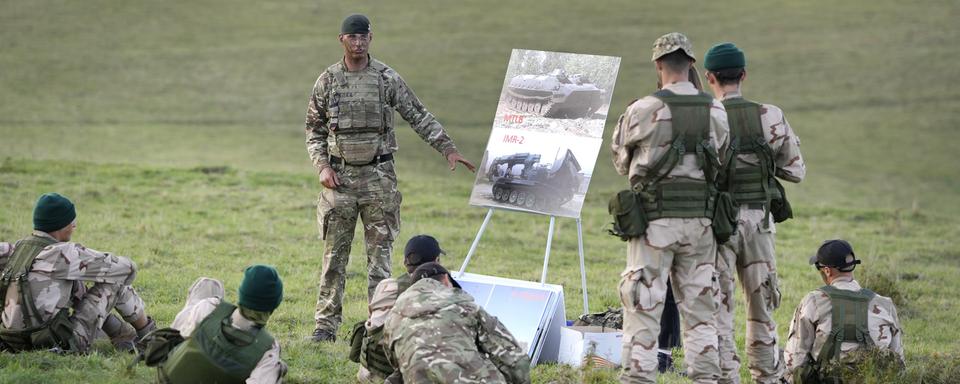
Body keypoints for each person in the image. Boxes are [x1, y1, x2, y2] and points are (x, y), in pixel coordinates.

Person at [304, 13, 476, 342]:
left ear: (371, 38)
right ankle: (325, 327)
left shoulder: (386, 78)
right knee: (333, 259)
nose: (358, 43)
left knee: (379, 261)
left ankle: (379, 325)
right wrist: (322, 167)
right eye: (351, 37)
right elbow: (314, 130)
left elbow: (417, 113)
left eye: (363, 37)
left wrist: (448, 149)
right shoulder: (327, 81)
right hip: (339, 180)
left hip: (379, 180)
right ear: (342, 40)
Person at [610, 32, 729, 383]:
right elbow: (721, 160)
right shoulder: (716, 110)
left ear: (659, 64)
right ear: (691, 64)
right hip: (701, 226)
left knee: (643, 309)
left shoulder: (642, 109)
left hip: (653, 225)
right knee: (700, 315)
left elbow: (620, 161)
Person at [702, 42, 806, 384]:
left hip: (718, 225)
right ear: (743, 75)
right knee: (761, 310)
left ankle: (725, 378)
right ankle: (767, 377)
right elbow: (795, 171)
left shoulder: (704, 117)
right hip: (760, 224)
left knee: (719, 309)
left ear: (709, 78)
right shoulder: (771, 115)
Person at [0, 193, 155, 353]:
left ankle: (123, 335)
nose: (74, 225)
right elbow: (128, 269)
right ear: (60, 224)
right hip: (55, 343)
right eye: (71, 220)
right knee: (114, 282)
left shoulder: (14, 250)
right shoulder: (65, 253)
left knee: (75, 281)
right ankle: (149, 337)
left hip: (12, 342)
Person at [381, 262, 530, 384]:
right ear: (446, 280)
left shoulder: (392, 320)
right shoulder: (466, 307)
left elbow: (397, 366)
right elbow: (514, 359)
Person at [783, 240, 904, 383]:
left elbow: (795, 361)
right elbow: (899, 364)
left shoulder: (813, 301)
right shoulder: (885, 304)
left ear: (827, 270)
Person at [151, 265, 287, 383]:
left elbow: (178, 335)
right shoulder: (268, 349)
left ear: (242, 294)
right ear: (274, 306)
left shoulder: (210, 307)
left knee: (207, 286)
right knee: (278, 367)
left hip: (169, 378)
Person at [353, 234, 446, 383]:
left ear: (405, 262)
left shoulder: (386, 285)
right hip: (401, 374)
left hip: (370, 370)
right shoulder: (438, 292)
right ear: (437, 262)